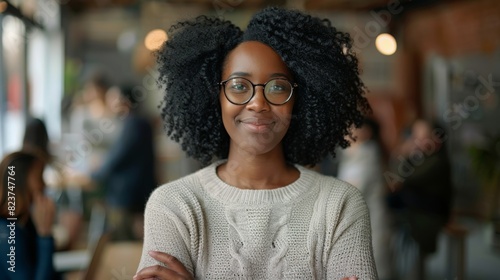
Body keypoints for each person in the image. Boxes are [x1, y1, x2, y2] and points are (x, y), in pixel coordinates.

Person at [135, 7, 376, 280]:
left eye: (277, 87)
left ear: (302, 99)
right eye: (239, 86)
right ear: (215, 97)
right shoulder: (174, 205)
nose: (258, 103)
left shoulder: (339, 205)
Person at [388, 119, 453, 280]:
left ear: (436, 139)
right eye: (413, 136)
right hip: (413, 213)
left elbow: (400, 179)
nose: (415, 141)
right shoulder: (420, 157)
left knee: (414, 266)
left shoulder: (436, 161)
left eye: (421, 136)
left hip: (427, 215)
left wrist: (402, 155)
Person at [90, 85, 157, 241]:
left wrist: (94, 174)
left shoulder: (133, 125)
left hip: (127, 195)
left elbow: (117, 158)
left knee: (124, 240)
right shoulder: (138, 122)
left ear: (124, 102)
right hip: (136, 191)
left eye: (113, 99)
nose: (110, 104)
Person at [337, 119, 394, 280]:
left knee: (373, 264)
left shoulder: (369, 152)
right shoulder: (348, 154)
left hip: (370, 218)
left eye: (353, 128)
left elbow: (355, 188)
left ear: (366, 133)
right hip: (352, 218)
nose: (348, 131)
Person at [0, 151, 59, 280]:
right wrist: (45, 235)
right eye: (39, 178)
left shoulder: (24, 223)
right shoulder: (5, 233)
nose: (44, 185)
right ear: (20, 183)